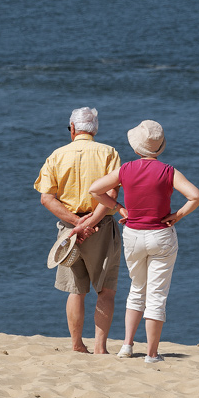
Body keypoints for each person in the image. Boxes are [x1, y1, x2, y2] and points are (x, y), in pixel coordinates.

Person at [73, 119, 199, 364]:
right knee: (156, 295)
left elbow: (95, 189)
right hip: (161, 235)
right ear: (160, 147)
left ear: (136, 148)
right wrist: (176, 216)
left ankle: (126, 346)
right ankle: (152, 354)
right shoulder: (168, 171)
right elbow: (195, 196)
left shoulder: (126, 170)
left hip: (132, 234)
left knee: (136, 290)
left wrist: (119, 208)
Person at [34, 107, 122, 354]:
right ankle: (100, 348)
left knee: (75, 290)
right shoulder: (109, 153)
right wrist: (90, 223)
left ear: (72, 129)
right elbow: (112, 195)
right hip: (101, 226)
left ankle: (76, 344)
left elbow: (47, 198)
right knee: (106, 289)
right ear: (95, 129)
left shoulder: (57, 155)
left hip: (69, 231)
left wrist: (77, 224)